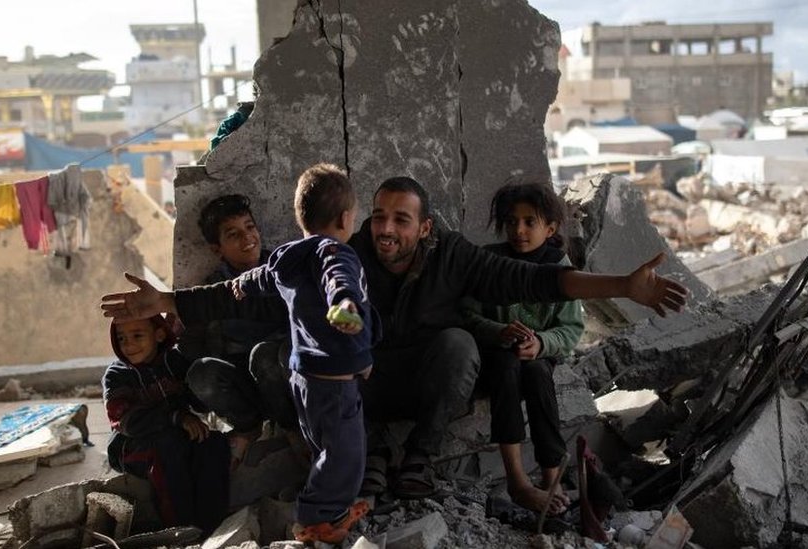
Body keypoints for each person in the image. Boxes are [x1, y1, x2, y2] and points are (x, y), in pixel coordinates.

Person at [101, 175, 688, 500]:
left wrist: (622, 286)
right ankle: (364, 455)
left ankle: (418, 459)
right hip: (362, 387)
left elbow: (536, 279)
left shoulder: (454, 256)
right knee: (282, 356)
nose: (386, 228)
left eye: (401, 220)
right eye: (378, 216)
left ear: (424, 227)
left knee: (458, 343)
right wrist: (170, 301)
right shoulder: (345, 254)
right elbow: (248, 288)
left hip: (428, 380)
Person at [231, 163, 377, 544]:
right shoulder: (335, 251)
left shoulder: (287, 258)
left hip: (304, 380)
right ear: (345, 218)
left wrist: (242, 284)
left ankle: (333, 510)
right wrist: (344, 302)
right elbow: (338, 277)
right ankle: (315, 521)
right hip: (334, 383)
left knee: (324, 448)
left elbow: (262, 276)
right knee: (345, 454)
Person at [462, 181, 583, 515]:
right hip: (496, 356)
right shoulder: (490, 261)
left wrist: (541, 343)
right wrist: (498, 331)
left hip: (537, 356)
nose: (519, 230)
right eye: (512, 221)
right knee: (506, 369)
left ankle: (552, 477)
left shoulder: (559, 267)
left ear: (550, 229)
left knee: (538, 375)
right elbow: (465, 314)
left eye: (530, 222)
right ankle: (517, 480)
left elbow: (572, 328)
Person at [177, 194, 296, 468]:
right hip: (244, 384)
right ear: (217, 249)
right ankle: (248, 427)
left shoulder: (281, 270)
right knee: (201, 372)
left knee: (264, 355)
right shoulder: (213, 288)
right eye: (233, 234)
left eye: (250, 227)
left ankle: (291, 428)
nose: (247, 238)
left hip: (282, 377)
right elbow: (191, 345)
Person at [102, 315, 231, 535]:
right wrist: (176, 417)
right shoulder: (117, 375)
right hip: (130, 446)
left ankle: (212, 526)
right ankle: (179, 529)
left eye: (137, 336)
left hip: (177, 434)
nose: (128, 345)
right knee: (169, 447)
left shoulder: (175, 362)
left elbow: (199, 403)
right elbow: (127, 421)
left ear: (159, 335)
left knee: (213, 442)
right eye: (121, 338)